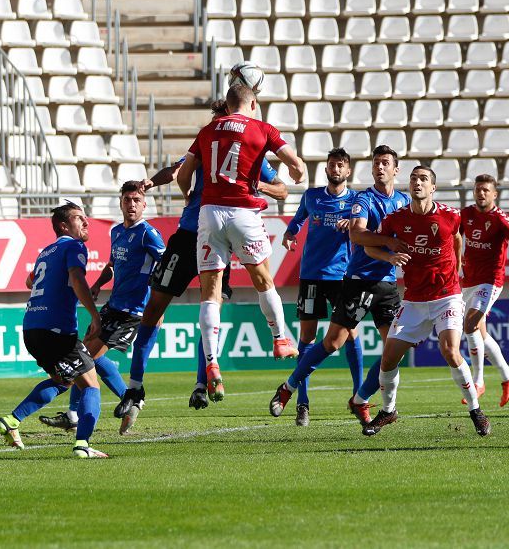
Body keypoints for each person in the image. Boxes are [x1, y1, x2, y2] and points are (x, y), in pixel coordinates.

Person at [112, 97, 288, 418]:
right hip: (188, 235)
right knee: (154, 310)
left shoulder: (251, 148)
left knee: (212, 308)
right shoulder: (207, 139)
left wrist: (254, 185)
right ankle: (135, 388)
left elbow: (280, 187)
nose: (221, 125)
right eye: (217, 120)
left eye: (224, 118)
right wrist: (153, 181)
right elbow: (178, 169)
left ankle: (201, 382)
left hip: (219, 237)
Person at [178, 82, 306, 400]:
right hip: (243, 212)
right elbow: (295, 164)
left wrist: (188, 195)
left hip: (209, 213)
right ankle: (279, 338)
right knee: (263, 280)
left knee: (211, 294)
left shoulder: (208, 130)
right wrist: (298, 171)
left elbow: (183, 173)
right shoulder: (262, 129)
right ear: (251, 104)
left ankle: (212, 366)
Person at [270, 145, 409, 427]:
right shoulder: (357, 200)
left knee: (391, 349)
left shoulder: (401, 201)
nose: (380, 167)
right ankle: (295, 393)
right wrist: (290, 233)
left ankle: (362, 399)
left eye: (386, 163)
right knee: (325, 340)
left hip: (381, 282)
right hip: (343, 278)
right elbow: (358, 236)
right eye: (376, 163)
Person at [356, 166, 491, 438]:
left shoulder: (450, 216)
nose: (418, 182)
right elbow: (369, 245)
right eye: (414, 178)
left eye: (424, 179)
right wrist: (389, 256)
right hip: (414, 299)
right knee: (388, 357)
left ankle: (476, 410)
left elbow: (457, 238)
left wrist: (458, 267)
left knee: (450, 350)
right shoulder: (395, 219)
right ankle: (388, 410)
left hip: (447, 296)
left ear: (433, 188)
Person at [40, 181, 165, 436]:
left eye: (136, 200)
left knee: (84, 359)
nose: (131, 205)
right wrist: (97, 285)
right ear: (120, 202)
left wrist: (159, 304)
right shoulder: (117, 231)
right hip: (113, 305)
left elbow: (167, 267)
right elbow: (111, 265)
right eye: (127, 199)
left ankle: (120, 402)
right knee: (85, 355)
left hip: (133, 310)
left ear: (144, 204)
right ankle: (121, 401)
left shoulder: (148, 234)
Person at [0, 203, 108, 459]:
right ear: (63, 225)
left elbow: (29, 280)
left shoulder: (46, 251)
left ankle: (12, 421)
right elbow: (78, 280)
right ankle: (83, 444)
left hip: (32, 328)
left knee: (64, 381)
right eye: (80, 218)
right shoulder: (74, 246)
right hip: (57, 330)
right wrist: (94, 315)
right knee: (91, 385)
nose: (86, 223)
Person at [275, 147, 363, 426]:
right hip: (311, 275)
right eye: (331, 165)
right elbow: (297, 220)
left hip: (341, 277)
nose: (335, 169)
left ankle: (358, 395)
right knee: (307, 338)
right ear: (326, 169)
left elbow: (368, 225)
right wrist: (289, 234)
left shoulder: (356, 201)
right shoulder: (311, 196)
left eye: (340, 165)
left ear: (347, 171)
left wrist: (354, 224)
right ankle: (302, 402)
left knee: (350, 334)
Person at [459, 175, 509, 408]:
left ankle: (478, 382)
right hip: (469, 280)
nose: (481, 193)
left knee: (469, 326)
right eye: (478, 189)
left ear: (494, 194)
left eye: (486, 190)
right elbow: (451, 234)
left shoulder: (501, 220)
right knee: (479, 333)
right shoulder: (466, 214)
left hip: (491, 281)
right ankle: (508, 375)